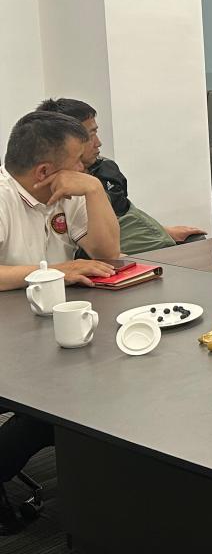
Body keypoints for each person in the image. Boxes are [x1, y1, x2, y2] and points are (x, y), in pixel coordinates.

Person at [0, 111, 120, 535]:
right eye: (79, 162)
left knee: (111, 380)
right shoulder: (2, 198)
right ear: (44, 171)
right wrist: (55, 271)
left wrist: (94, 190)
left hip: (49, 330)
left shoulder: (70, 192)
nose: (88, 165)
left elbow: (107, 253)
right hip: (9, 340)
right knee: (58, 409)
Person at [36, 98, 206, 254]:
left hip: (150, 245)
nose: (98, 143)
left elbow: (125, 212)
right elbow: (104, 254)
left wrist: (162, 230)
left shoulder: (105, 168)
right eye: (90, 136)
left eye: (96, 133)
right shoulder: (59, 191)